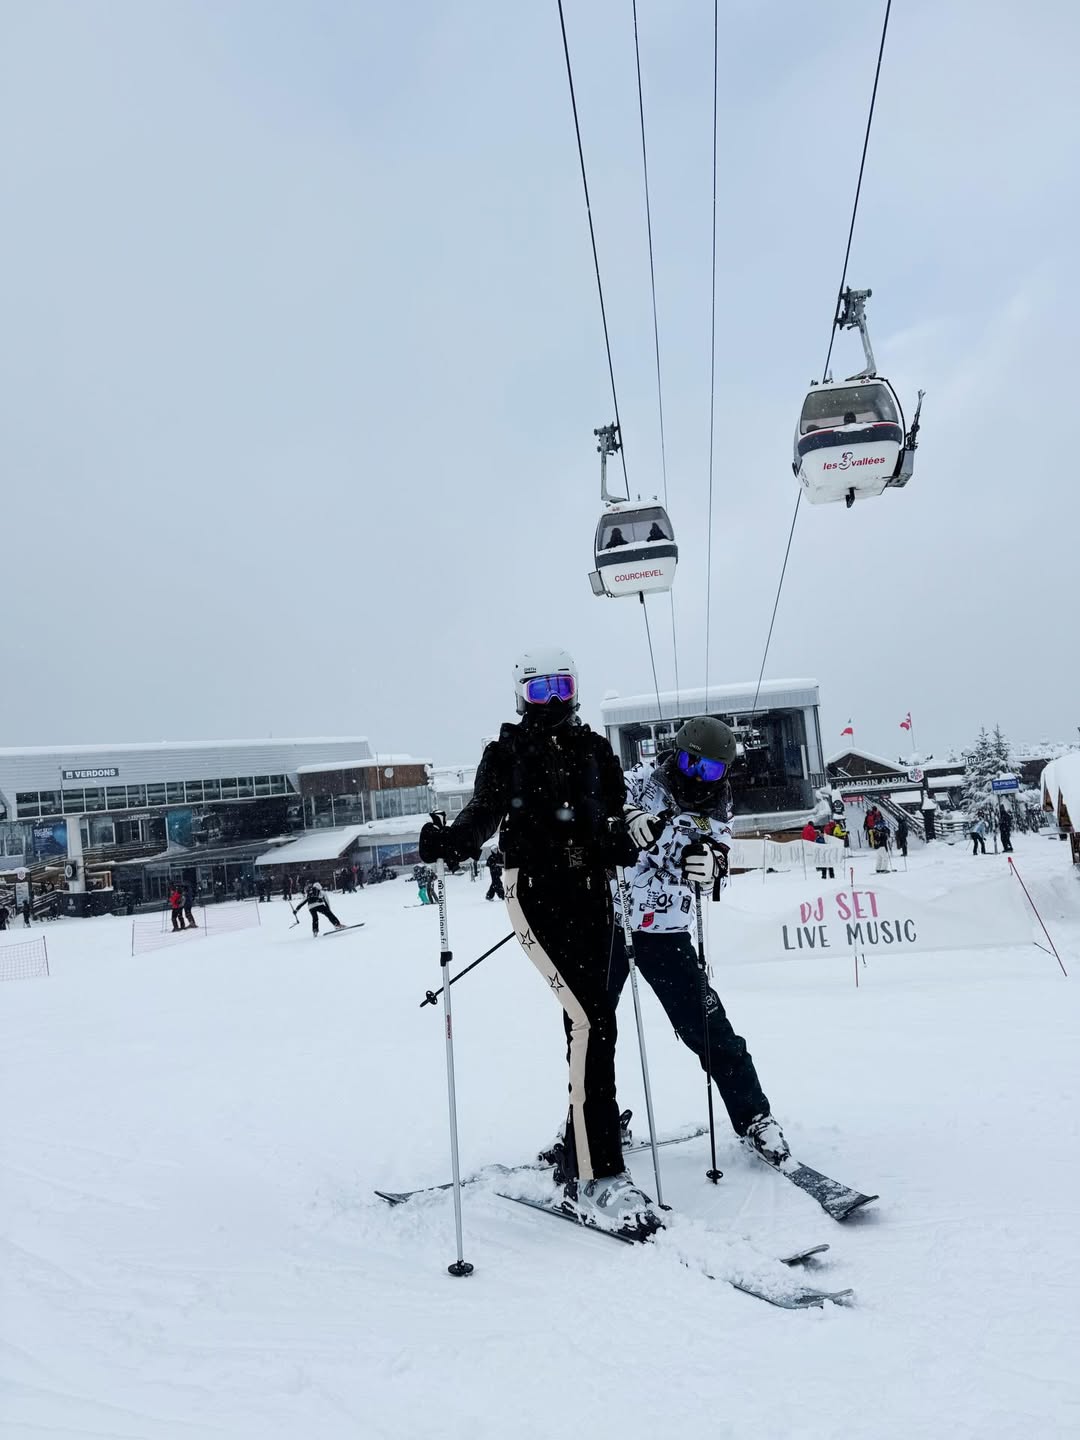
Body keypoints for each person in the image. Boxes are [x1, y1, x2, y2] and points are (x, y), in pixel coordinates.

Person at [418, 645, 657, 1234]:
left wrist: (626, 837)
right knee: (591, 1018)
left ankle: (579, 1137)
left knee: (595, 1020)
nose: (550, 701)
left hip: (593, 892)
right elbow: (483, 812)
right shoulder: (506, 753)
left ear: (575, 689)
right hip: (536, 894)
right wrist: (453, 842)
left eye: (559, 688)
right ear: (521, 695)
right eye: (537, 690)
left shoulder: (597, 749)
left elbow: (614, 821)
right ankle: (597, 1173)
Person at [608, 717, 790, 1170]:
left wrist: (712, 863)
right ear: (676, 752)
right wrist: (626, 817)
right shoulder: (638, 780)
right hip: (608, 923)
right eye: (691, 762)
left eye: (710, 769)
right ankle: (588, 1125)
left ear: (724, 772)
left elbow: (718, 852)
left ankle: (755, 1117)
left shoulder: (720, 808)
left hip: (664, 932)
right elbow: (606, 806)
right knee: (591, 1030)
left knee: (708, 1028)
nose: (696, 775)